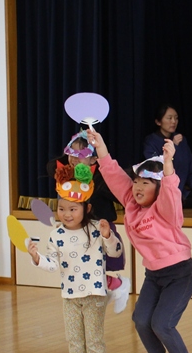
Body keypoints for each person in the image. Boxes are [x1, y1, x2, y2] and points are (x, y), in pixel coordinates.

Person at [89, 128, 192, 353]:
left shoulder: (166, 208)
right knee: (140, 319)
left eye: (146, 183)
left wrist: (168, 163)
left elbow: (171, 190)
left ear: (158, 188)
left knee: (162, 323)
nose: (137, 187)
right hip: (154, 274)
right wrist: (100, 147)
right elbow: (113, 174)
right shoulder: (130, 201)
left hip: (180, 273)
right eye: (136, 181)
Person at [29, 162, 123, 353]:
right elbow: (53, 265)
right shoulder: (56, 235)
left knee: (94, 341)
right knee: (74, 342)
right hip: (69, 297)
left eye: (73, 209)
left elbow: (115, 252)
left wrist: (108, 236)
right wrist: (38, 258)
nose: (67, 214)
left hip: (94, 295)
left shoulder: (95, 229)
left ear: (86, 208)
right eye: (62, 209)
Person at [47, 131, 131, 313]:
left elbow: (121, 191)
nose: (74, 158)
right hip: (77, 231)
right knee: (81, 269)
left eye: (80, 155)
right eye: (71, 153)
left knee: (95, 268)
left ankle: (118, 284)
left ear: (93, 159)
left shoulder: (100, 178)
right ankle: (113, 285)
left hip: (99, 229)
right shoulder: (65, 174)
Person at [142, 105, 192, 207]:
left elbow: (189, 169)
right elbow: (156, 167)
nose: (174, 121)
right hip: (161, 192)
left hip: (181, 192)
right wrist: (173, 146)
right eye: (169, 118)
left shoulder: (181, 140)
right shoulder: (150, 141)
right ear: (158, 122)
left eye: (176, 118)